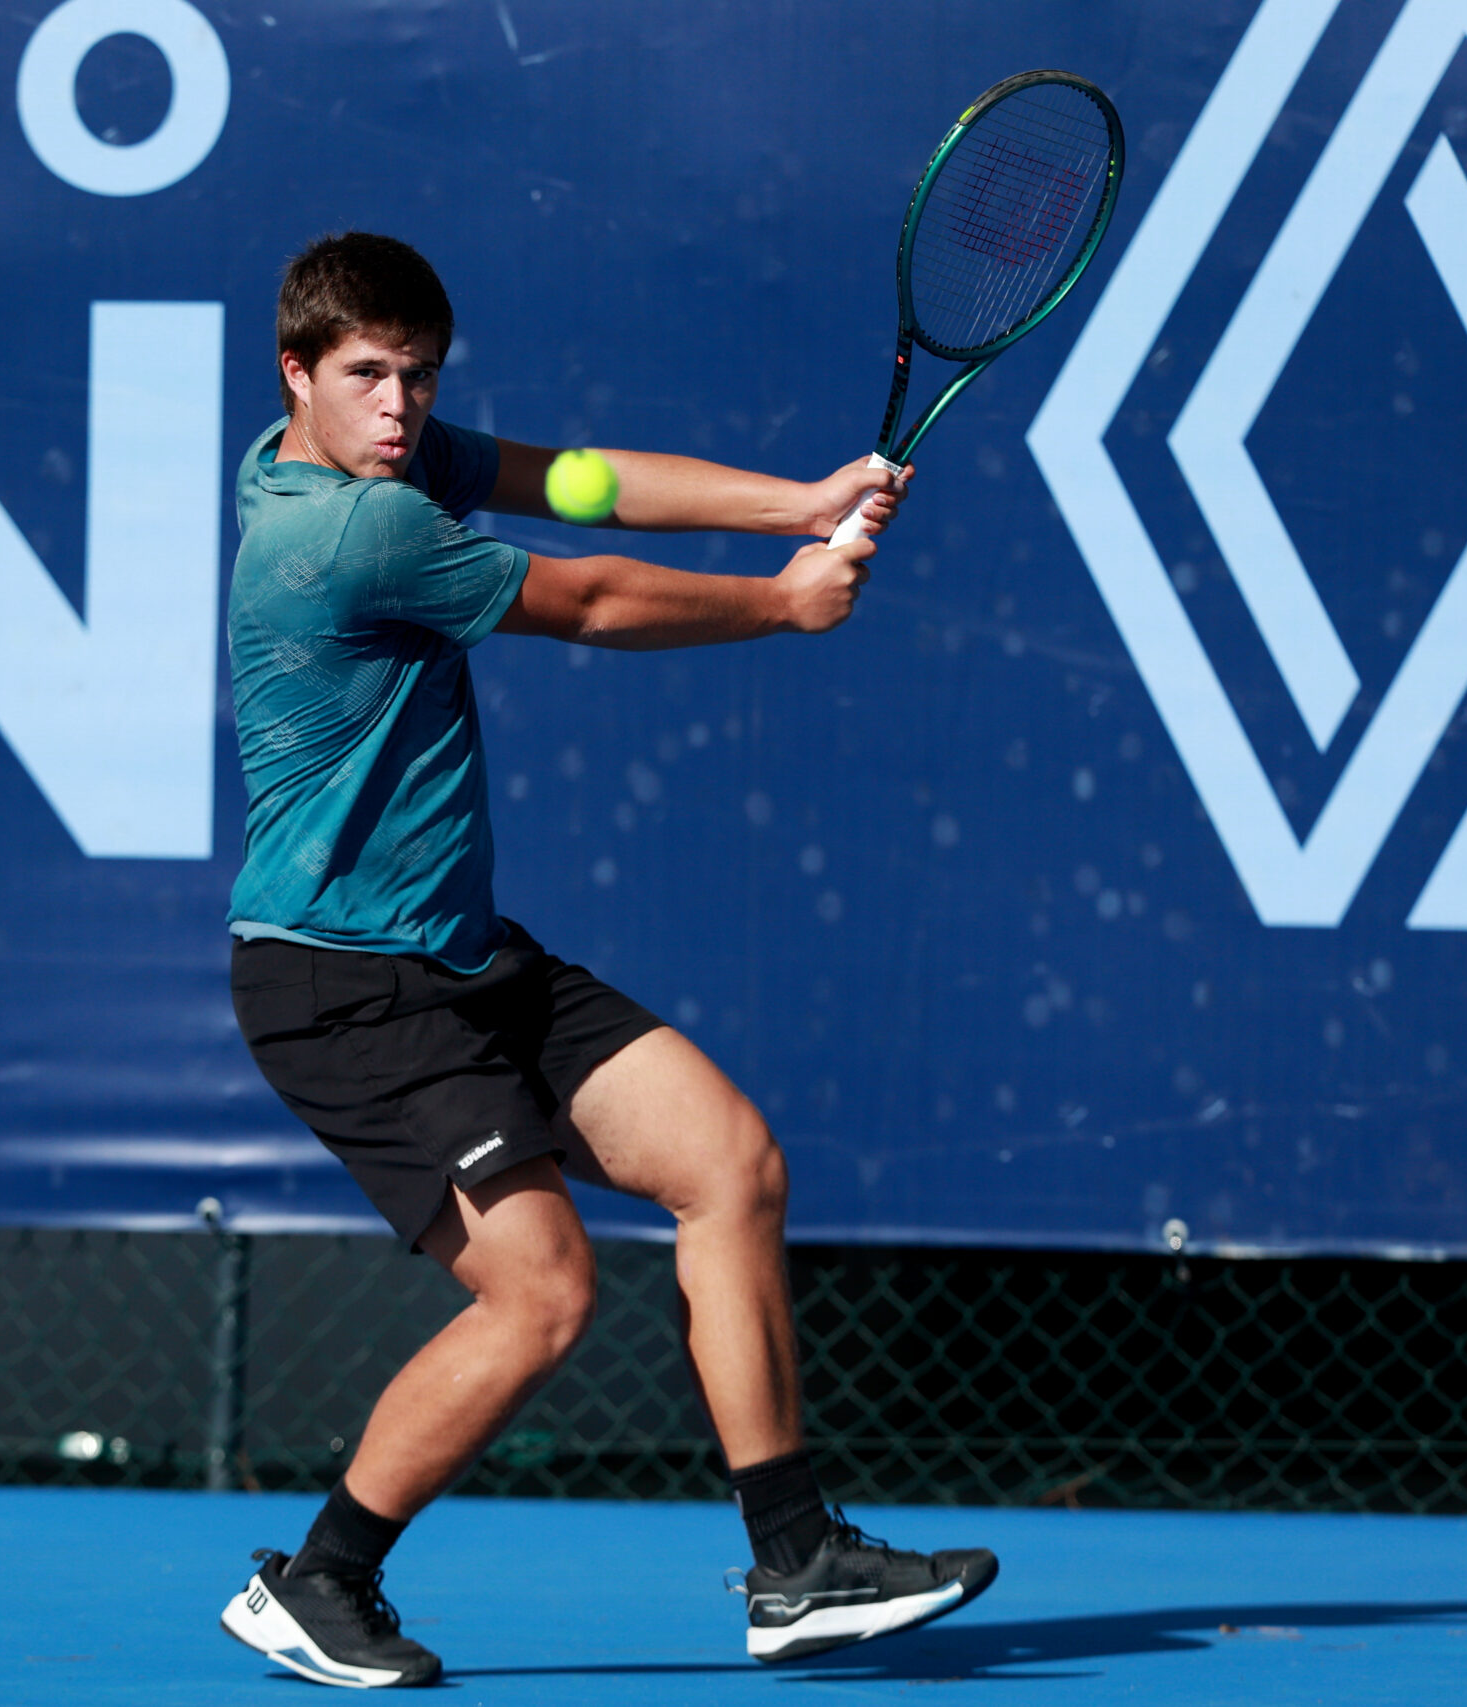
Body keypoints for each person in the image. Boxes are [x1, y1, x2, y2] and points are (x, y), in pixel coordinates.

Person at [215, 232, 996, 1688]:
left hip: (462, 953)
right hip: (343, 986)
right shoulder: (350, 531)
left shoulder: (369, 462)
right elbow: (584, 595)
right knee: (544, 1293)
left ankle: (797, 1564)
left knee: (729, 1163)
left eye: (421, 376)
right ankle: (318, 1580)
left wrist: (802, 502)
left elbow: (578, 475)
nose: (401, 407)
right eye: (368, 377)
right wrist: (783, 597)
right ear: (297, 374)